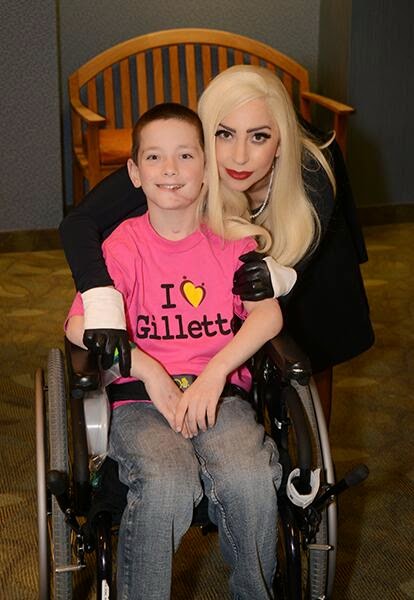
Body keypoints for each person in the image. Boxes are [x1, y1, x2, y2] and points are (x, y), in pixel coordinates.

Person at [60, 65, 374, 421]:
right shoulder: (179, 165)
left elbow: (287, 291)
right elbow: (78, 223)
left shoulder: (314, 170)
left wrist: (284, 276)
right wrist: (101, 301)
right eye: (224, 134)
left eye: (259, 137)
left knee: (308, 363)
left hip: (311, 270)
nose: (239, 157)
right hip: (221, 288)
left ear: (281, 142)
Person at [65, 103, 283, 599]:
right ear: (134, 173)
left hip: (219, 395)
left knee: (249, 478)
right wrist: (148, 369)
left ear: (207, 167)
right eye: (155, 157)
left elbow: (267, 315)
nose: (170, 169)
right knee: (166, 481)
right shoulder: (122, 247)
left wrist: (216, 372)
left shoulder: (231, 241)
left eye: (185, 155)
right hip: (140, 400)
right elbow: (79, 324)